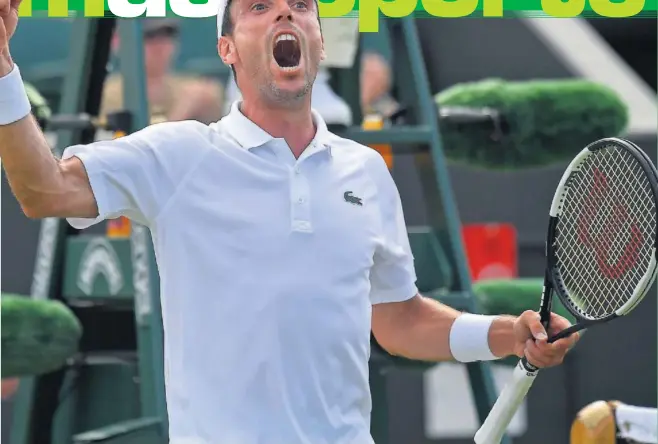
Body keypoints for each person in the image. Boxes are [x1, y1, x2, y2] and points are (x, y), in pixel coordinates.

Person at [0, 0, 579, 442]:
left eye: (302, 5)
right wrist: (2, 71)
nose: (285, 11)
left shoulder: (366, 173)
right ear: (227, 48)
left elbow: (398, 321)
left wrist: (506, 333)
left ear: (319, 41)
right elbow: (43, 189)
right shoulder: (176, 156)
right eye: (259, 6)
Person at [101, 18, 225, 125]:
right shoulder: (107, 94)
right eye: (149, 37)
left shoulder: (197, 90)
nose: (160, 46)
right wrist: (182, 112)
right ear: (119, 44)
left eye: (167, 35)